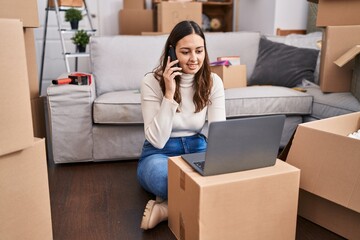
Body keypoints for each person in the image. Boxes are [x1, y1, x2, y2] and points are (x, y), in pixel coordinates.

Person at [137, 20, 226, 230]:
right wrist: (169, 93)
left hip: (197, 148)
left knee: (226, 174)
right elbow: (157, 140)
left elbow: (219, 134)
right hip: (159, 152)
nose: (194, 59)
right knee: (163, 179)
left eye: (199, 51)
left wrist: (223, 164)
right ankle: (201, 202)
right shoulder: (151, 81)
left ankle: (167, 208)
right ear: (172, 52)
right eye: (185, 52)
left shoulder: (213, 82)